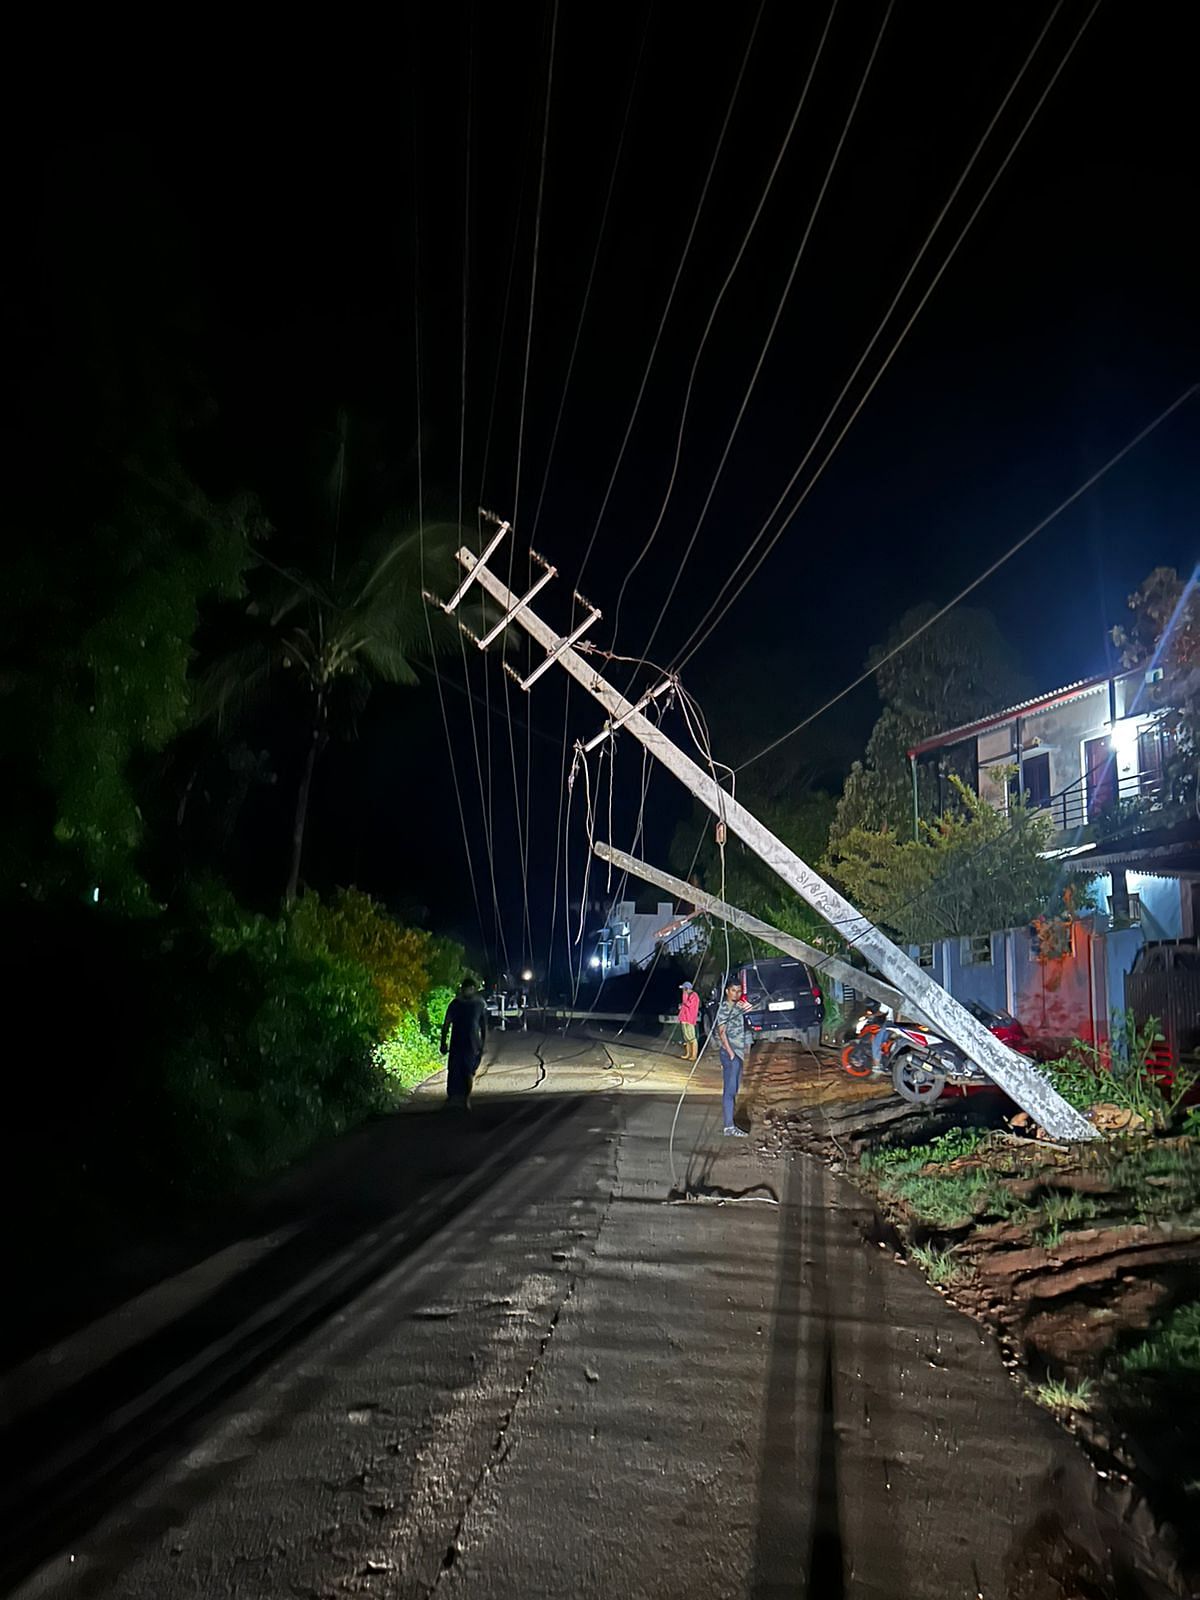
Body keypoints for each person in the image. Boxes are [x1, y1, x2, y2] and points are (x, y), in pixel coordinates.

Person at [440, 977, 488, 1110]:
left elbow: (483, 1026)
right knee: (454, 1070)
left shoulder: (479, 1004)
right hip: (456, 1042)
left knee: (468, 1071)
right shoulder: (455, 1004)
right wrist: (443, 1042)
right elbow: (446, 1024)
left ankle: (466, 1099)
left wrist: (482, 1044)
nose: (466, 991)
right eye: (465, 988)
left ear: (474, 989)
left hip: (471, 1044)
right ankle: (451, 1098)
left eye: (469, 988)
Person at [715, 978, 752, 1137]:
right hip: (730, 1054)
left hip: (738, 1053)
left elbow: (748, 1011)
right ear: (727, 991)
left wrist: (749, 1007)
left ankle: (730, 1124)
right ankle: (729, 1127)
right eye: (733, 990)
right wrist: (731, 1055)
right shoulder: (724, 1008)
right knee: (730, 1090)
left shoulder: (737, 1006)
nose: (736, 994)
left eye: (738, 991)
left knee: (734, 1088)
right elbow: (721, 1032)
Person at [678, 981, 701, 1061]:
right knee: (686, 1037)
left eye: (684, 989)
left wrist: (684, 995)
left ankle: (694, 1055)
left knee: (692, 1038)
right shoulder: (687, 995)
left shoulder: (694, 996)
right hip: (684, 1018)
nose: (683, 990)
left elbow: (688, 1004)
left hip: (689, 1019)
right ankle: (688, 1053)